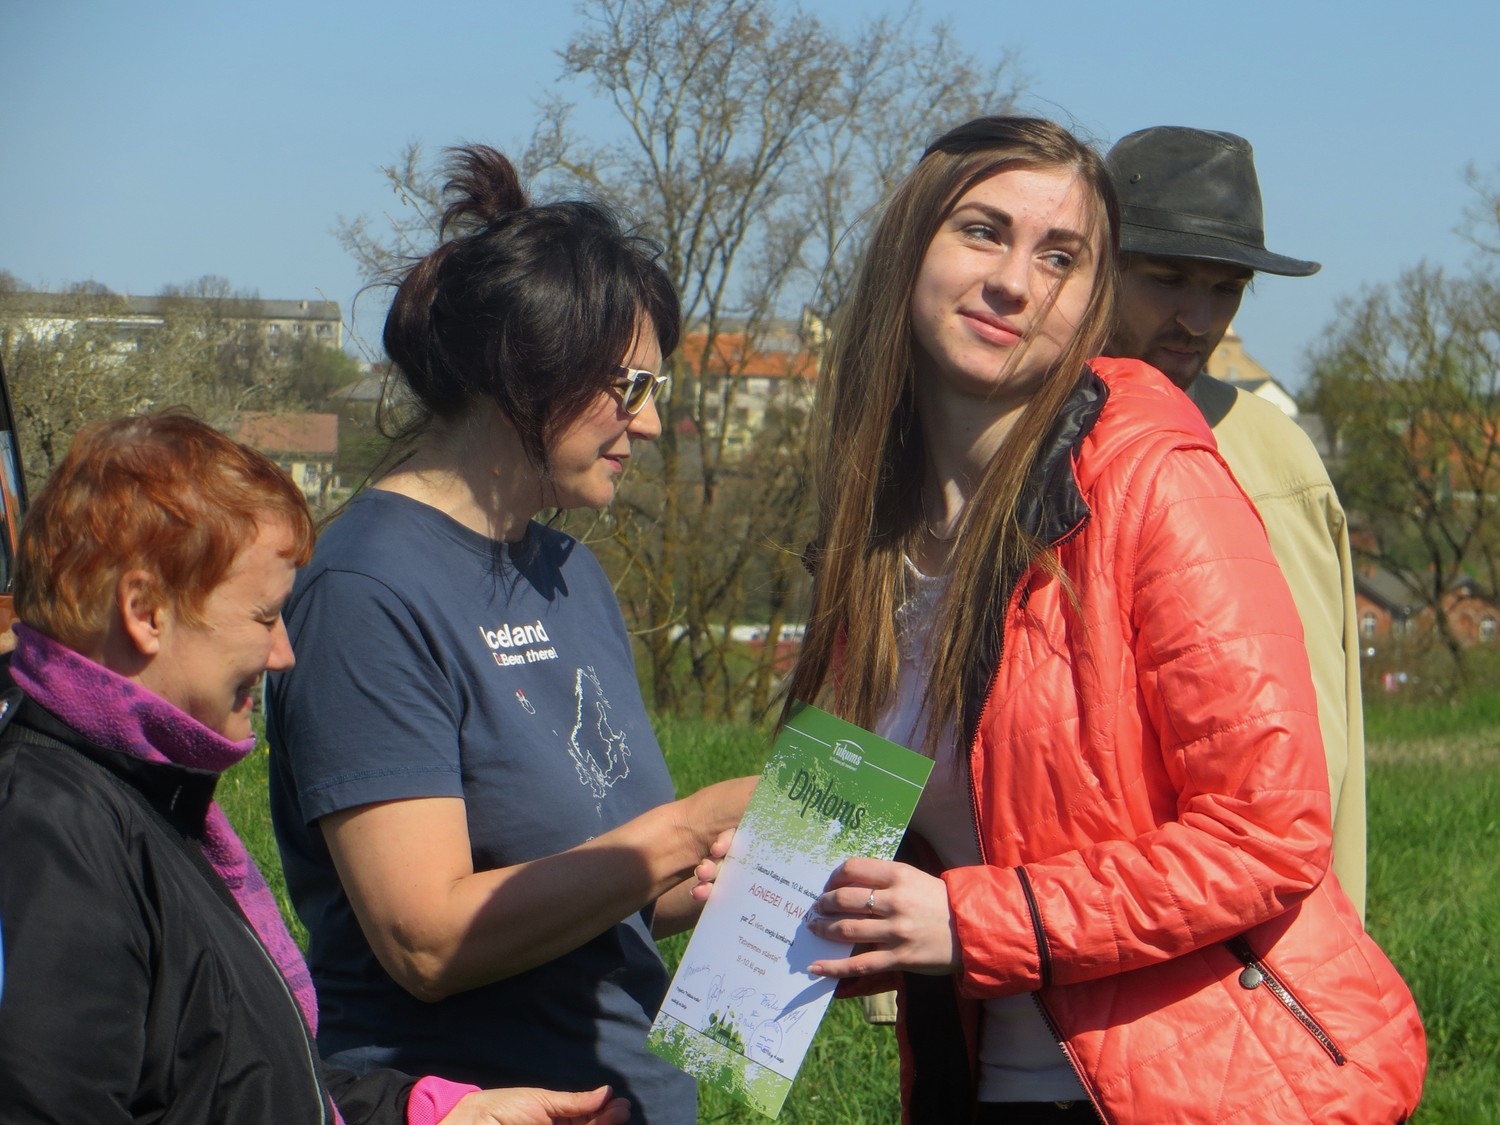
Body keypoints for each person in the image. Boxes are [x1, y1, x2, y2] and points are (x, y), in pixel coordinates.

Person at [777, 116, 1424, 1123]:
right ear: (908, 250)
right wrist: (783, 899)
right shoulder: (873, 524)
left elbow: (1271, 831)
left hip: (1190, 1089)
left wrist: (968, 921)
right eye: (982, 231)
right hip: (976, 1084)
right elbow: (905, 818)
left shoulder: (1153, 473)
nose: (1014, 282)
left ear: (1088, 297)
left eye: (1061, 256)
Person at [266, 146, 753, 1125]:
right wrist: (684, 828)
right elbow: (428, 940)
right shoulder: (364, 591)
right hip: (476, 1098)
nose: (648, 425)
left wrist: (738, 871)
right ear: (521, 368)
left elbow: (609, 894)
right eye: (631, 387)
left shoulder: (567, 572)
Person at [0, 411, 630, 1125]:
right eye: (265, 616)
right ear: (145, 609)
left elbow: (233, 1082)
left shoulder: (140, 798)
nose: (283, 655)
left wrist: (426, 1113)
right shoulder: (49, 834)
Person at [1104, 125, 1368, 920]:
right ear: (1096, 265)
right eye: (1170, 278)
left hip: (1226, 928)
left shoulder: (1270, 457)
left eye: (1225, 289)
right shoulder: (1006, 431)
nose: (1197, 316)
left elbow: (1308, 744)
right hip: (1016, 922)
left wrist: (1321, 939)